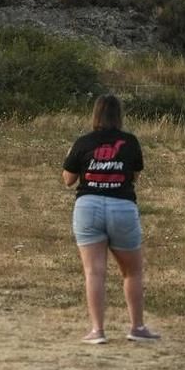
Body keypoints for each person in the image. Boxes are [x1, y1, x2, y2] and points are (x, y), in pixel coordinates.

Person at [62, 94, 161, 345]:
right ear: (119, 116)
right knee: (132, 271)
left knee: (94, 272)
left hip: (88, 206)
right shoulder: (130, 142)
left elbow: (68, 179)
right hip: (122, 206)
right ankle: (137, 327)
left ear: (95, 115)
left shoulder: (83, 142)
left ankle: (97, 331)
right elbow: (135, 174)